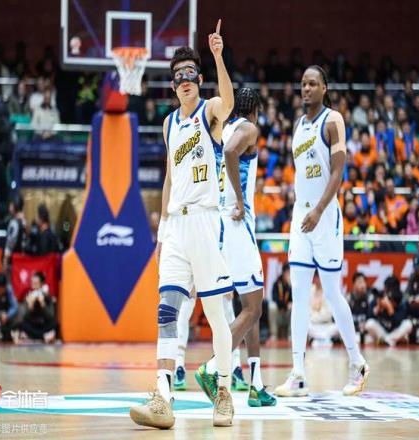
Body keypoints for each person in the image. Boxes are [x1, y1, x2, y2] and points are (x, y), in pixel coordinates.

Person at [130, 20, 235, 429]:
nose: (185, 79)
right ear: (173, 84)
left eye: (191, 73)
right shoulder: (169, 124)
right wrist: (161, 232)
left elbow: (228, 101)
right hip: (175, 225)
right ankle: (163, 397)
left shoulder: (210, 111)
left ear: (199, 79)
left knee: (215, 314)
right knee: (166, 310)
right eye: (178, 75)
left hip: (206, 222)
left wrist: (218, 56)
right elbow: (170, 178)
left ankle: (223, 391)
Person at [274, 65, 368, 398]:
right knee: (299, 294)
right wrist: (304, 209)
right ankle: (298, 373)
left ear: (324, 88)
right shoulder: (298, 126)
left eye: (313, 83)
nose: (306, 88)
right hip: (301, 217)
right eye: (303, 84)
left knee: (331, 292)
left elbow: (338, 172)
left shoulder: (333, 120)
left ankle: (357, 363)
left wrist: (318, 210)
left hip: (325, 217)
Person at [195, 87, 274, 408]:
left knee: (248, 304)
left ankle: (256, 385)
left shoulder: (224, 127)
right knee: (254, 307)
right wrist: (240, 201)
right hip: (237, 224)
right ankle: (214, 366)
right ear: (255, 110)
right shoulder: (248, 129)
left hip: (219, 224)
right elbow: (230, 153)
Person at [365, 276, 413, 346]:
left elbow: (398, 322)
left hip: (395, 331)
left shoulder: (401, 301)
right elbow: (369, 317)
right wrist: (378, 308)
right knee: (369, 324)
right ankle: (391, 340)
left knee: (408, 324)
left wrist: (390, 308)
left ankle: (387, 340)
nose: (385, 290)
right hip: (382, 332)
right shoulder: (380, 298)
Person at [18, 272, 57, 343]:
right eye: (32, 283)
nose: (34, 286)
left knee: (54, 324)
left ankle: (34, 337)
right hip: (33, 325)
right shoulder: (28, 296)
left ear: (42, 284)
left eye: (36, 283)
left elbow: (51, 316)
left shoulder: (47, 296)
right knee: (22, 324)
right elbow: (24, 316)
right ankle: (43, 337)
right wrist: (30, 306)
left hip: (44, 325)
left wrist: (43, 304)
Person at [2, 195, 27, 279]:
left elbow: (10, 243)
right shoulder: (24, 221)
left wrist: (5, 260)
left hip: (12, 261)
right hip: (22, 259)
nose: (9, 207)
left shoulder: (14, 223)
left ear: (14, 206)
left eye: (11, 204)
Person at [270, 263, 292, 339]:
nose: (289, 275)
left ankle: (290, 334)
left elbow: (294, 299)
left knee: (293, 307)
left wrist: (290, 286)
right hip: (279, 311)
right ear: (283, 272)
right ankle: (274, 334)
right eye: (288, 273)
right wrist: (284, 305)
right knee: (272, 306)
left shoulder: (291, 285)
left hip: (287, 313)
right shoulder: (276, 284)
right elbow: (274, 298)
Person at [348, 272, 370, 343]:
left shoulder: (370, 297)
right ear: (354, 284)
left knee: (371, 324)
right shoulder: (348, 298)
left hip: (366, 332)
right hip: (352, 330)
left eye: (364, 282)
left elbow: (373, 316)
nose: (362, 285)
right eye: (360, 282)